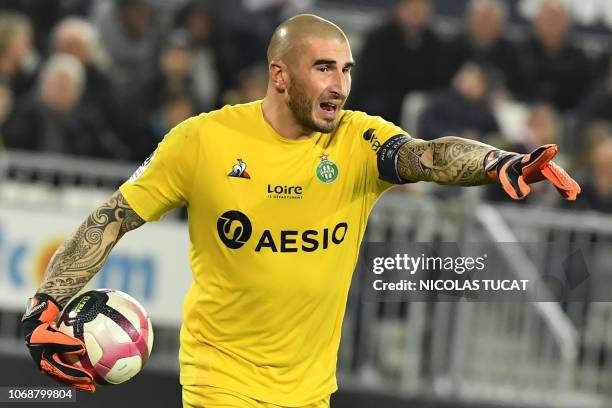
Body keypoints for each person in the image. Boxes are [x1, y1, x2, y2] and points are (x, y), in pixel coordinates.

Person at [20, 14, 581, 408]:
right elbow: (113, 216)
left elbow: (427, 155)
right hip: (222, 383)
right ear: (280, 74)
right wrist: (45, 304)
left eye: (347, 70)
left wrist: (497, 161)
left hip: (311, 392)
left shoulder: (360, 142)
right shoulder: (203, 141)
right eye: (324, 69)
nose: (340, 85)